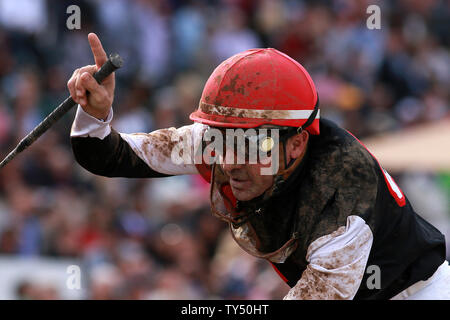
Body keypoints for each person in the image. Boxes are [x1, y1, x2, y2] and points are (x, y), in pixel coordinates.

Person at [67, 33, 450, 300]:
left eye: (250, 146)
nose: (229, 162)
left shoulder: (342, 200)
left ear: (297, 142)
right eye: (222, 139)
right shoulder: (225, 141)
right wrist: (95, 113)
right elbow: (107, 155)